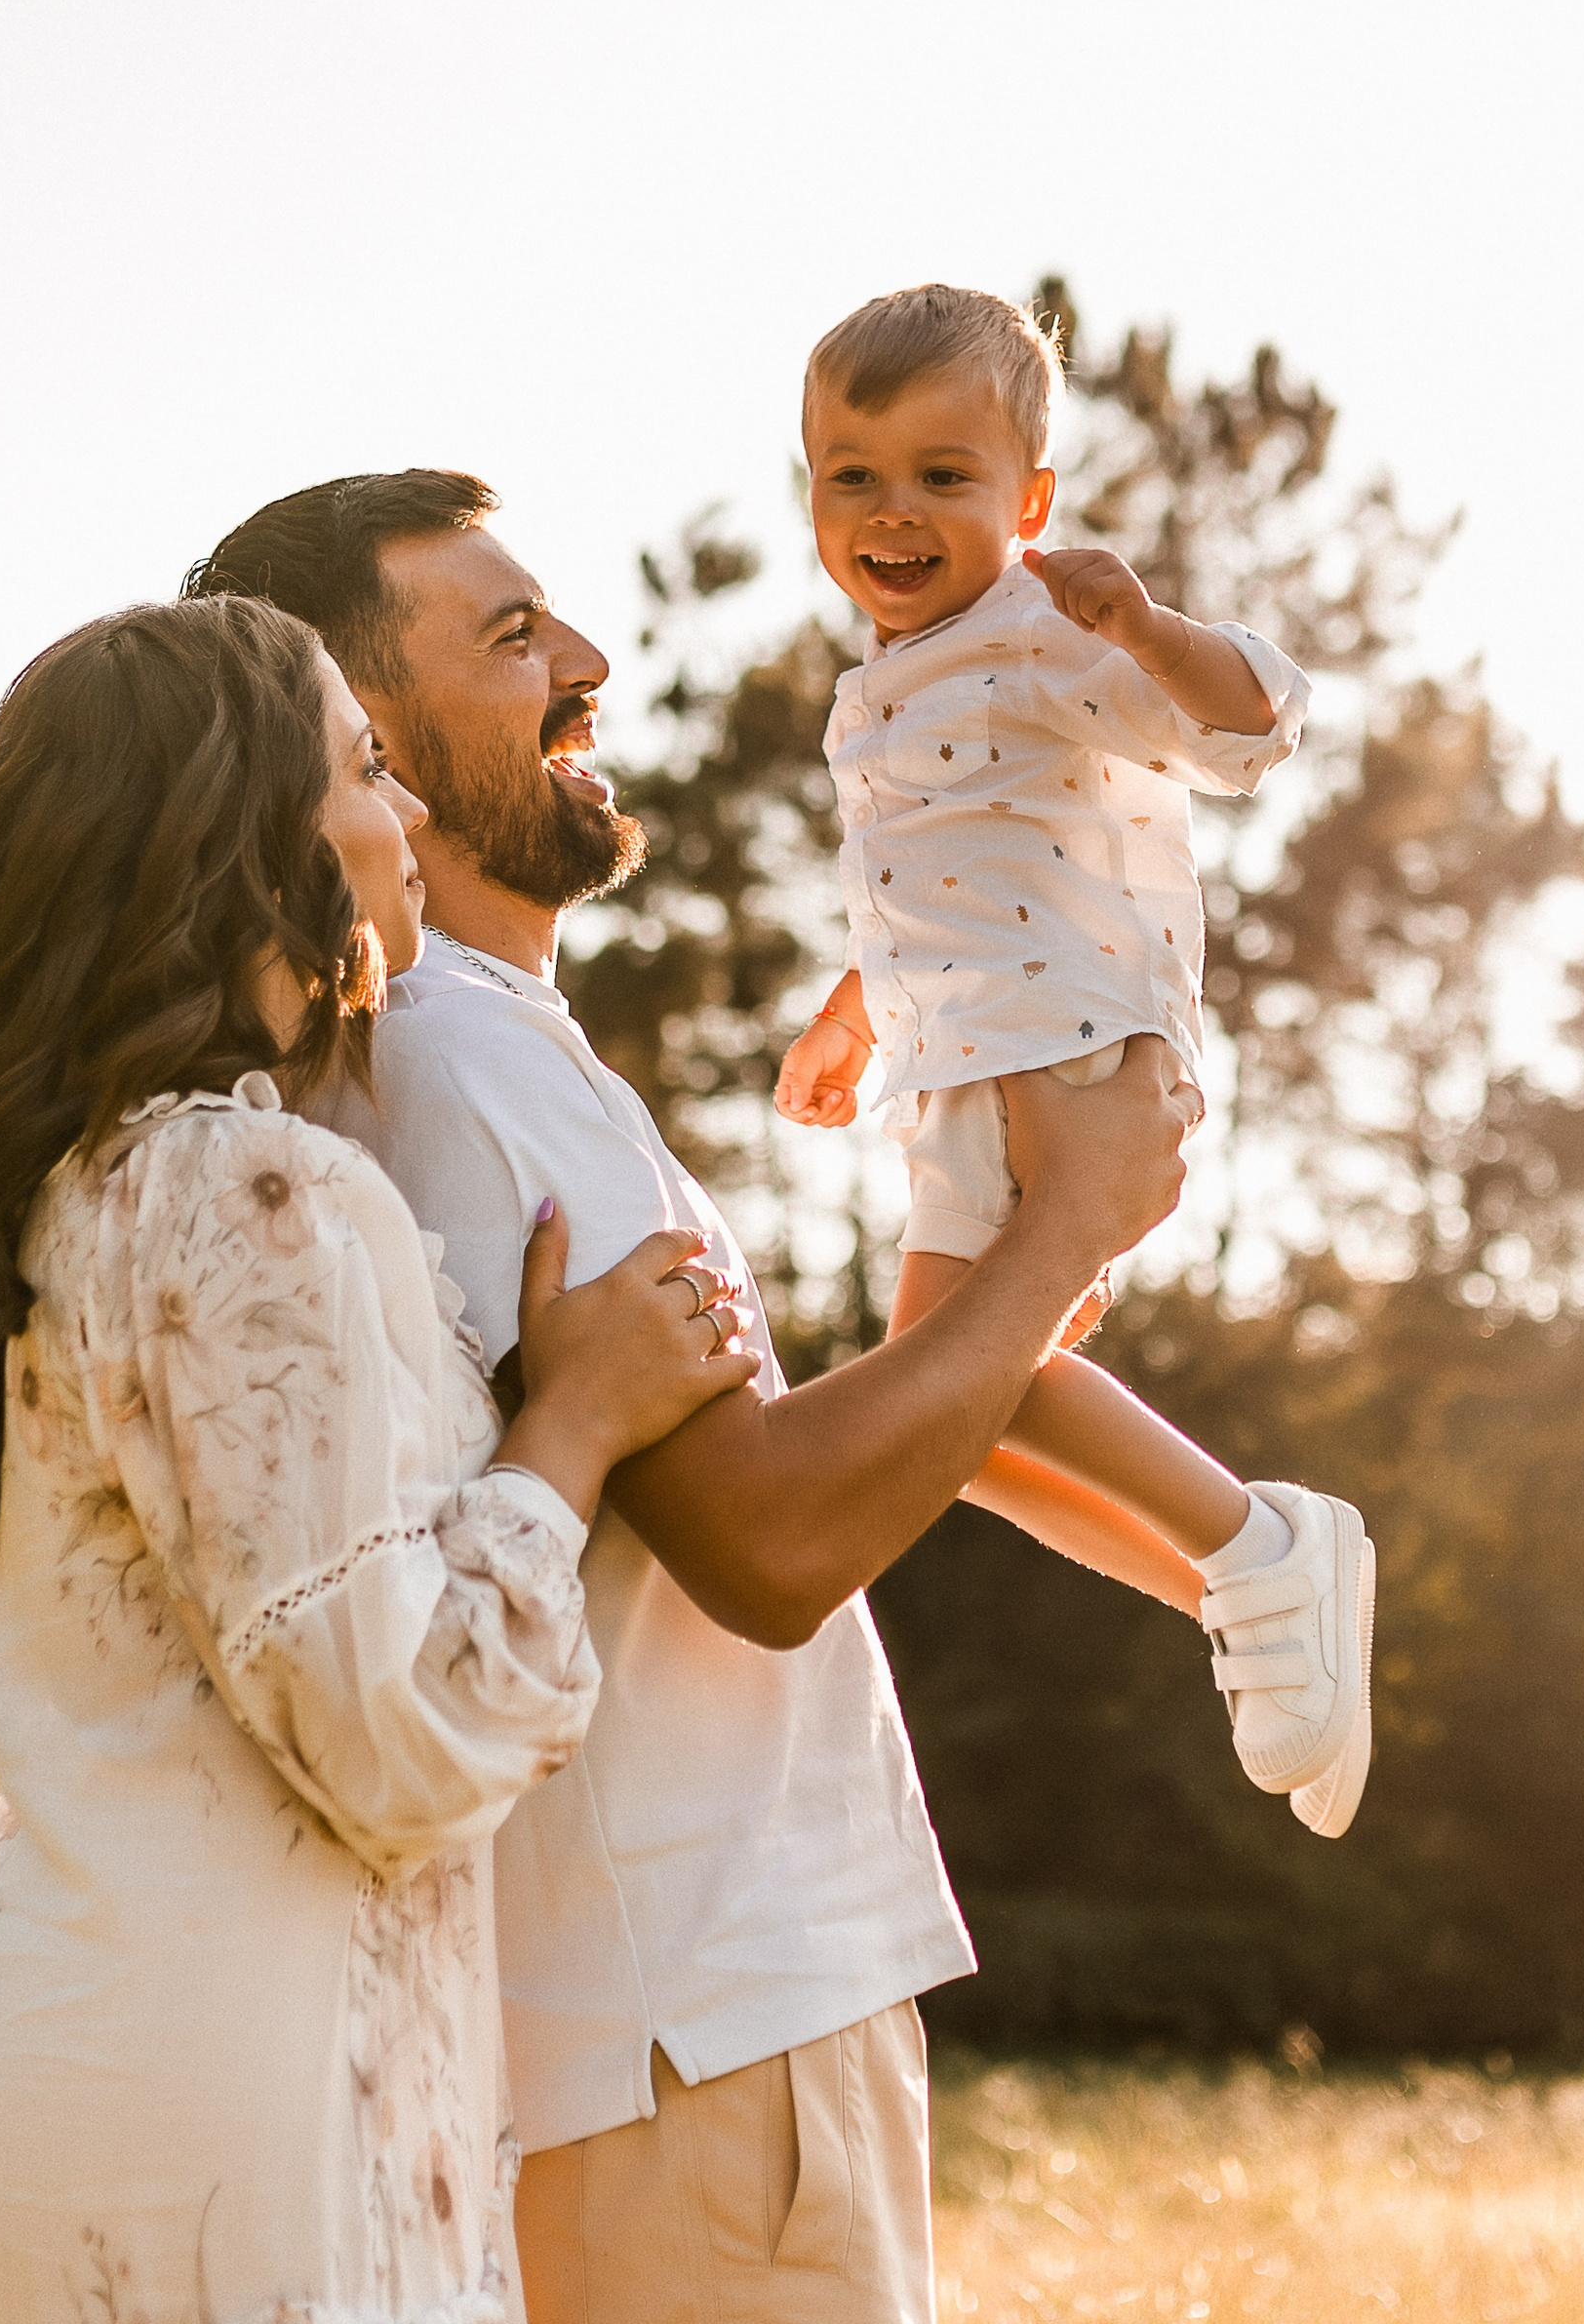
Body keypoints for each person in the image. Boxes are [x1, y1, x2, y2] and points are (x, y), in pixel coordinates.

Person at [184, 475, 1197, 2324]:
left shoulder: (466, 1048)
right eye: (513, 639)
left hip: (680, 2021)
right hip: (698, 2025)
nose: (588, 663)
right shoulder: (461, 1063)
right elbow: (765, 1540)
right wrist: (1069, 1225)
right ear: (368, 744)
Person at [0, 596, 762, 2324]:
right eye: (368, 768)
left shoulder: (97, 1185)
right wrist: (571, 1431)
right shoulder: (257, 1196)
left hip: (56, 2071)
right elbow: (392, 1740)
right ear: (249, 846)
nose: (411, 814)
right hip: (227, 2138)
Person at [776, 282, 1375, 1839]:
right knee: (954, 1426)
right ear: (812, 494)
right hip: (957, 1062)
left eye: (943, 475)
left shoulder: (1046, 633)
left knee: (957, 1387)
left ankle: (1258, 1554)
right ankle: (1250, 1588)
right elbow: (936, 886)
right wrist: (851, 1014)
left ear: (1028, 503)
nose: (893, 510)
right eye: (854, 475)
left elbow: (1257, 729)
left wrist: (1147, 628)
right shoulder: (876, 690)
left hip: (1069, 1049)